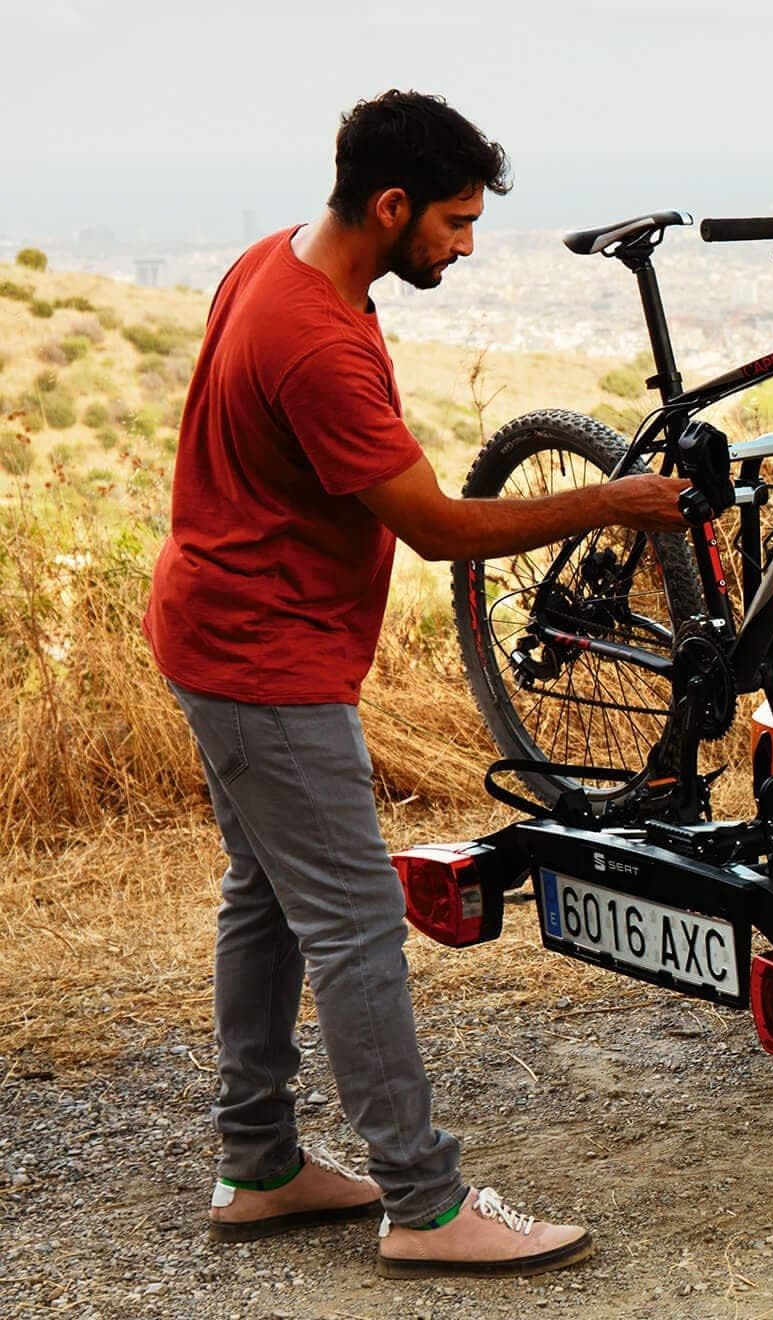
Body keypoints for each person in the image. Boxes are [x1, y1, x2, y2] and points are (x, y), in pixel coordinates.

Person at [145, 89, 688, 1278]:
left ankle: (260, 1164)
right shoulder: (315, 337)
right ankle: (428, 1207)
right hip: (262, 660)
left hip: (218, 630)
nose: (465, 243)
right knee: (353, 927)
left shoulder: (279, 267)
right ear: (389, 206)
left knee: (264, 895)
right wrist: (615, 501)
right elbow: (440, 528)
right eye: (452, 220)